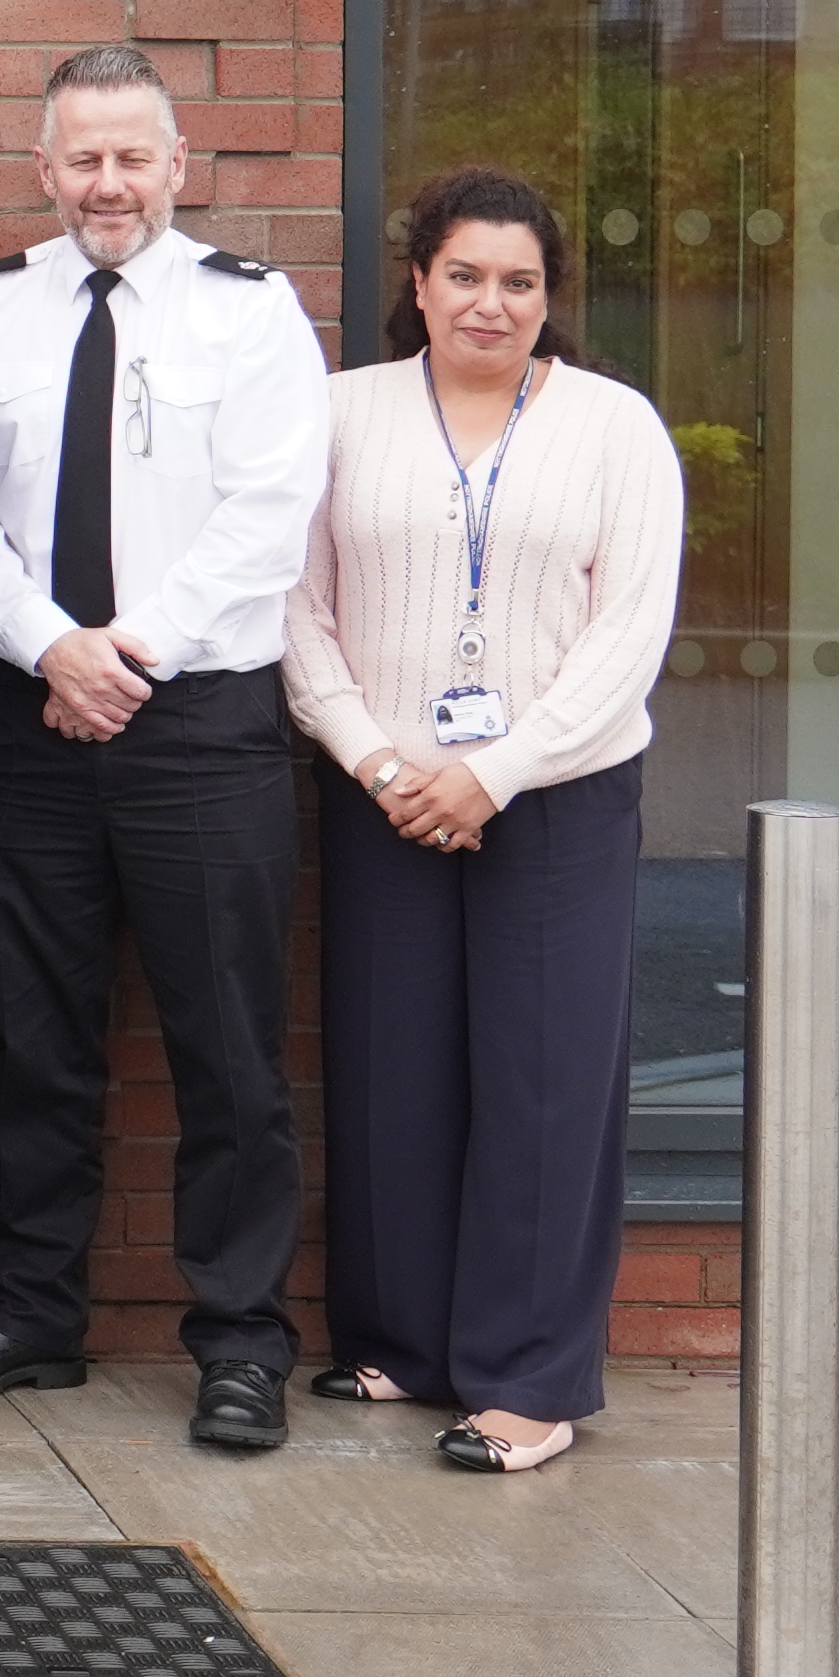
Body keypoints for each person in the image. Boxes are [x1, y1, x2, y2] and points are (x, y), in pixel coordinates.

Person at [0, 44, 340, 1456]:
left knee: (227, 1050)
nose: (109, 183)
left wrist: (124, 652)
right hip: (28, 720)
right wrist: (52, 648)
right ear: (42, 171)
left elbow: (272, 515)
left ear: (180, 165)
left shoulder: (255, 313)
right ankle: (26, 1314)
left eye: (133, 157)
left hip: (201, 728)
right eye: (82, 159)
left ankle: (237, 1343)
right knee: (36, 1041)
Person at [284, 168, 682, 1477]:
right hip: (381, 789)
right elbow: (296, 609)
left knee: (545, 1086)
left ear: (549, 297)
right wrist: (377, 761)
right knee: (392, 1071)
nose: (489, 303)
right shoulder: (342, 415)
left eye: (518, 282)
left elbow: (628, 636)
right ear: (418, 282)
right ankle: (401, 1338)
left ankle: (527, 1381)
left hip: (556, 800)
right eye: (464, 275)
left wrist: (497, 771)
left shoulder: (616, 429)